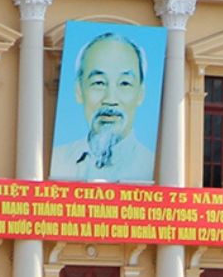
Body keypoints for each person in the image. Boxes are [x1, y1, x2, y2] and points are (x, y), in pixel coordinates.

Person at [50, 32, 156, 182]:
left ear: (141, 93)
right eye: (99, 83)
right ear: (79, 91)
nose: (110, 100)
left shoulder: (152, 165)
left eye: (124, 83)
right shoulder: (59, 160)